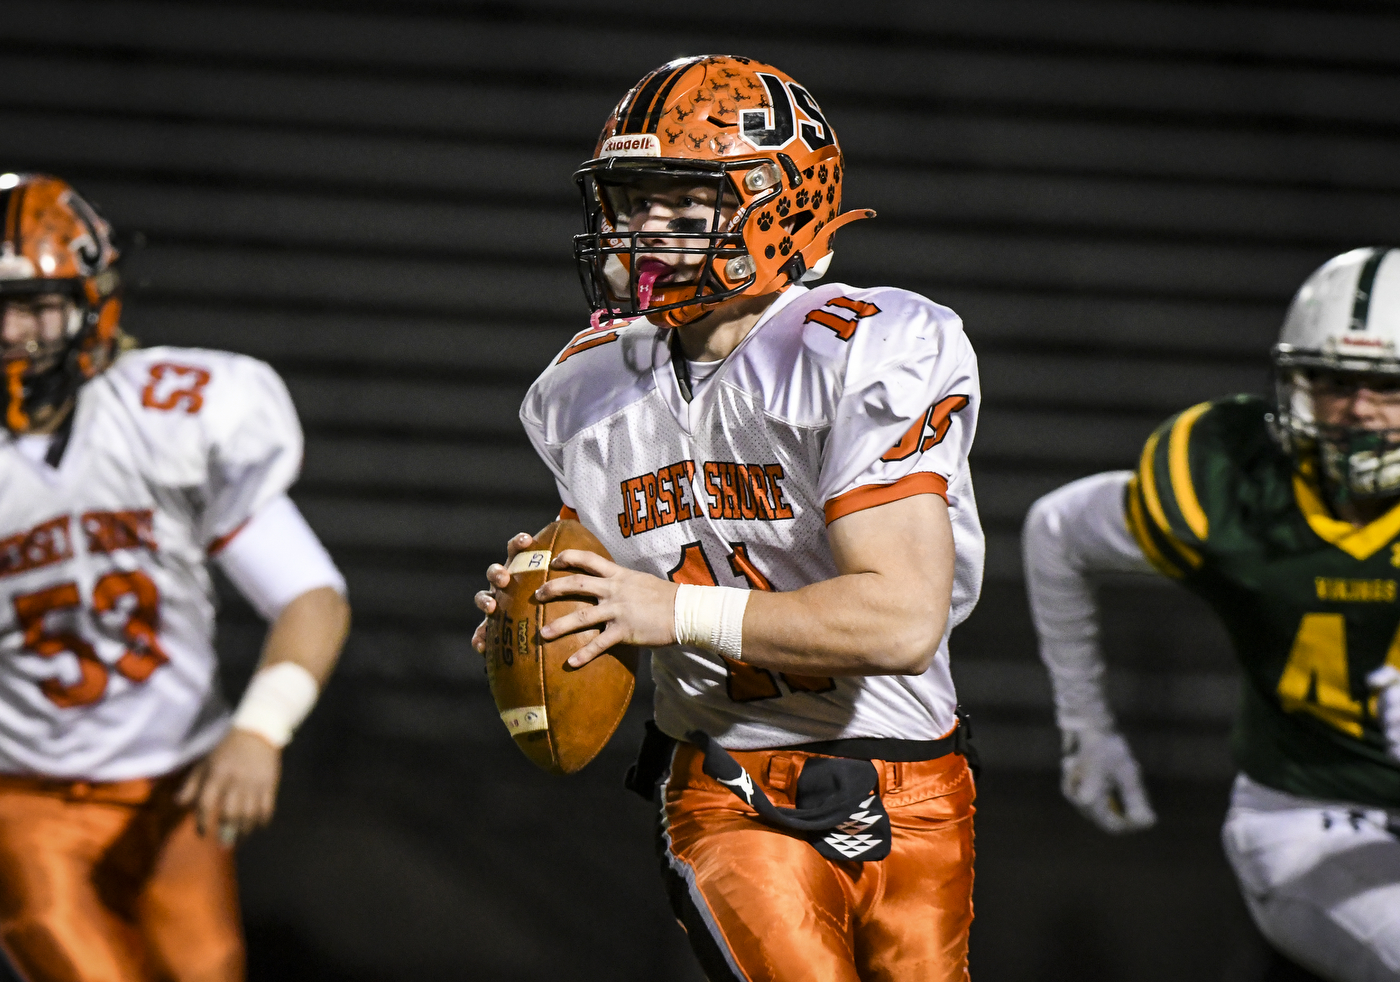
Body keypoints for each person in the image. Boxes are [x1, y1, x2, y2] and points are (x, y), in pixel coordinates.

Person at [472, 56, 982, 981]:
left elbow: (902, 620)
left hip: (914, 779)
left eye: (683, 203)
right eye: (631, 203)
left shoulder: (865, 345)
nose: (643, 232)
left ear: (776, 205)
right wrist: (557, 600)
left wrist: (668, 611)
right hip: (724, 779)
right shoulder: (582, 386)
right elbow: (620, 586)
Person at [0, 172, 350, 982]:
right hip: (26, 797)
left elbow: (311, 597)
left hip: (178, 787)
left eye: (35, 305)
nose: (12, 332)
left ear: (94, 299)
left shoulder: (165, 412)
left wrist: (260, 729)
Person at [1022, 248, 1400, 982]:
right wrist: (1085, 726)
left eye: (1386, 387)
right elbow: (1057, 529)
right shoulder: (1234, 488)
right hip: (1308, 815)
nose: (1356, 409)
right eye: (1329, 380)